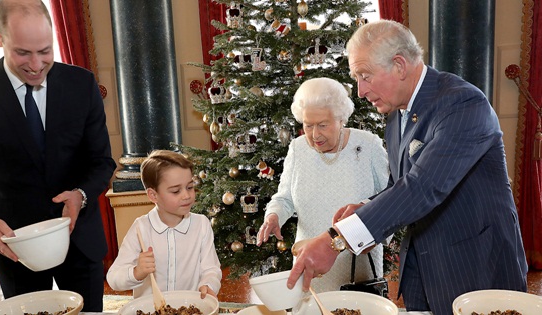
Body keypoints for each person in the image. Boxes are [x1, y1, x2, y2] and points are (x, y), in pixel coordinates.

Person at [287, 20, 528, 315]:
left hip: (476, 267)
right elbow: (401, 184)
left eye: (365, 76)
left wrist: (335, 240)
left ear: (399, 66)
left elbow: (423, 187)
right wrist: (365, 206)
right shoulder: (397, 113)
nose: (360, 91)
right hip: (423, 271)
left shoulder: (463, 104)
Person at [0, 0, 116, 312]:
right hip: (13, 248)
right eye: (23, 52)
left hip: (80, 242)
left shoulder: (81, 84)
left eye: (45, 51)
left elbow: (102, 162)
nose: (36, 64)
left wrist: (81, 195)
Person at [255, 77, 389, 293]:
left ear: (341, 119)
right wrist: (274, 216)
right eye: (308, 126)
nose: (315, 135)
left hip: (357, 266)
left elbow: (389, 201)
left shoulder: (368, 145)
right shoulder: (298, 149)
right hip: (309, 263)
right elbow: (284, 198)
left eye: (323, 125)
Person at [106, 150, 222, 298]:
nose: (186, 195)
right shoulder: (140, 228)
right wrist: (137, 272)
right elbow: (113, 278)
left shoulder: (201, 224)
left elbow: (211, 269)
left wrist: (208, 284)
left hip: (189, 308)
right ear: (153, 195)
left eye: (190, 187)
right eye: (175, 191)